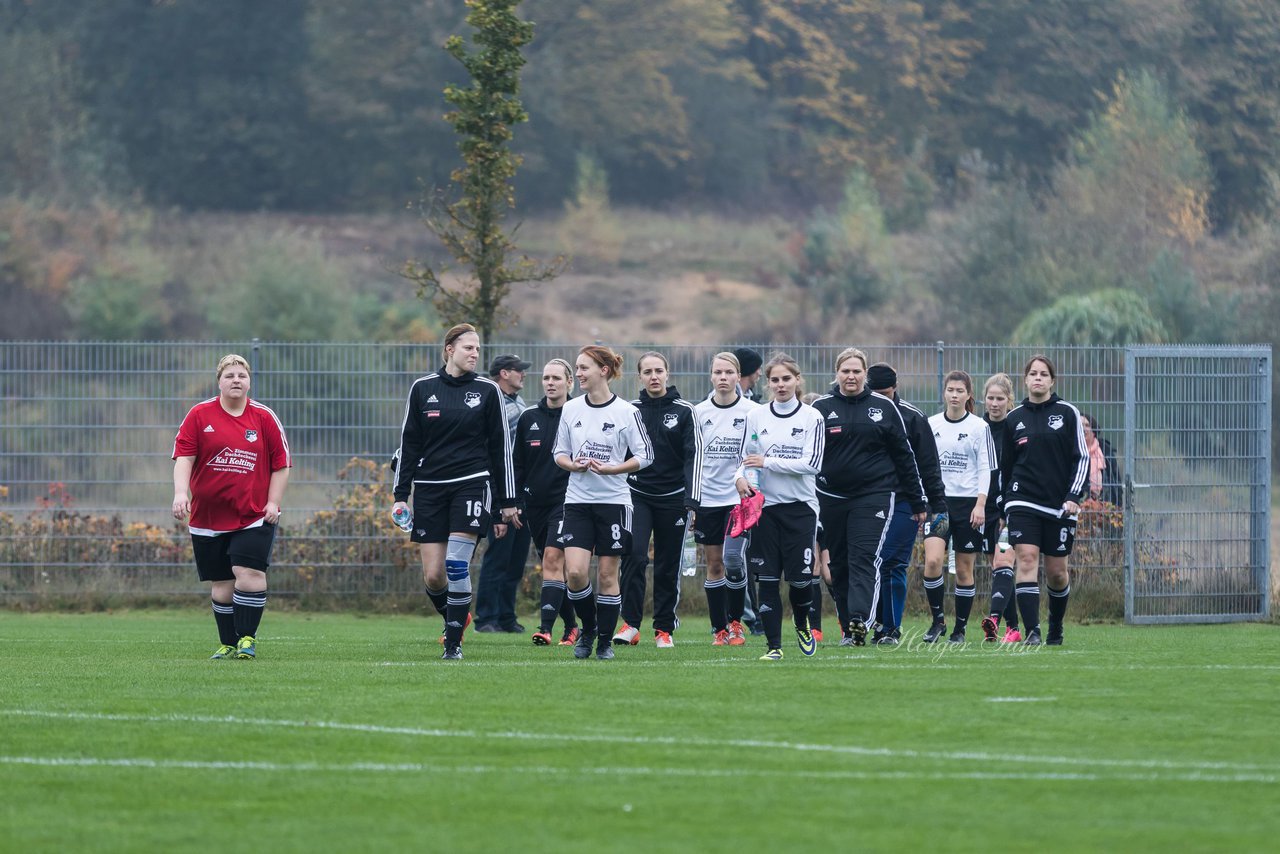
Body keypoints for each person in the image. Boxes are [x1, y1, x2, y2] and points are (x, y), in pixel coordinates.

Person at [392, 323, 518, 660]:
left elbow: (501, 449)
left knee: (455, 565)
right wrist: (400, 495)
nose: (475, 354)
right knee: (434, 576)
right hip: (430, 489)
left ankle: (453, 644)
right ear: (449, 349)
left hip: (472, 485)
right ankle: (457, 617)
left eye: (477, 348)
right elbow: (408, 444)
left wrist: (508, 501)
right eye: (468, 348)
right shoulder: (422, 389)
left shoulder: (488, 390)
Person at [172, 353, 291, 660]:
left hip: (253, 514)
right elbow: (184, 457)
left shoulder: (264, 418)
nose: (236, 380)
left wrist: (273, 502)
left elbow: (281, 464)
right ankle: (228, 642)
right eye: (230, 376)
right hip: (208, 517)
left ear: (249, 382)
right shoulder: (199, 415)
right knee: (222, 585)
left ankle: (247, 640)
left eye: (241, 375)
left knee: (248, 572)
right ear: (219, 382)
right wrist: (180, 493)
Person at [812, 349, 927, 646]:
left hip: (873, 496)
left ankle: (860, 619)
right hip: (830, 497)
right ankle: (847, 626)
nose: (851, 376)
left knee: (864, 557)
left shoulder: (884, 408)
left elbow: (905, 457)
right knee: (838, 563)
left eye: (856, 371)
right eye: (845, 371)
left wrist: (918, 501)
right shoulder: (820, 408)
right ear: (837, 373)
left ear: (865, 375)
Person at [553, 345, 654, 660]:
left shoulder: (626, 412)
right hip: (578, 502)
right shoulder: (571, 409)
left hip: (614, 502)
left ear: (604, 371)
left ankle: (605, 643)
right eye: (578, 368)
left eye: (584, 368)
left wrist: (615, 468)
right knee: (575, 573)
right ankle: (590, 627)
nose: (579, 374)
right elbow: (559, 453)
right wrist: (572, 465)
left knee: (608, 575)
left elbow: (645, 456)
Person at [735, 353, 825, 661]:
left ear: (798, 380)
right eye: (775, 379)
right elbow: (745, 458)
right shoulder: (756, 416)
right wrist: (740, 479)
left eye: (787, 378)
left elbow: (812, 464)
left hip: (800, 509)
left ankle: (801, 622)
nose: (781, 384)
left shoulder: (812, 418)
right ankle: (774, 646)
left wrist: (768, 462)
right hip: (765, 510)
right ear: (768, 382)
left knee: (800, 581)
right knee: (768, 579)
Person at [999, 355, 1089, 646]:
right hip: (1022, 500)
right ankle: (1032, 632)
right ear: (1025, 380)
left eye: (1043, 374)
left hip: (1059, 505)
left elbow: (1082, 458)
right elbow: (1006, 465)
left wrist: (1074, 496)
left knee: (1057, 573)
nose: (1038, 378)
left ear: (1052, 380)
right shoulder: (1013, 419)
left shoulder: (1067, 413)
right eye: (1032, 373)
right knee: (1025, 559)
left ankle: (1055, 625)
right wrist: (1003, 505)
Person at [614, 352, 702, 648]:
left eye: (659, 371)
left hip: (674, 499)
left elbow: (693, 457)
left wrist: (693, 500)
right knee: (634, 556)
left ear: (668, 374)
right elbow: (619, 452)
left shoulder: (685, 411)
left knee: (667, 564)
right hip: (636, 495)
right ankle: (630, 625)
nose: (654, 376)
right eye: (647, 371)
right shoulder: (630, 410)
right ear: (639, 376)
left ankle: (664, 629)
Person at [865, 363, 946, 646]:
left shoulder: (913, 417)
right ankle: (872, 622)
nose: (880, 399)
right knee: (869, 563)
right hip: (869, 499)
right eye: (874, 393)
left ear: (895, 388)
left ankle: (891, 627)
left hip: (904, 500)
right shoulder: (862, 414)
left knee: (893, 562)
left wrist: (937, 504)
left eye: (885, 393)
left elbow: (928, 465)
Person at [920, 370, 998, 643]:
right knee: (932, 562)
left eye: (959, 391)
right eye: (950, 390)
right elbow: (924, 466)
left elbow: (986, 468)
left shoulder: (979, 427)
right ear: (944, 393)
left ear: (968, 395)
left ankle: (960, 629)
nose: (954, 395)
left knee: (964, 569)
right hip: (939, 504)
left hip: (968, 506)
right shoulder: (930, 424)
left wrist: (981, 504)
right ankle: (938, 621)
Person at [693, 352, 759, 646]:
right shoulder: (698, 413)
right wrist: (692, 501)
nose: (723, 377)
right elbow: (693, 460)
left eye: (729, 372)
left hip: (738, 499)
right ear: (711, 376)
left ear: (737, 376)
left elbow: (753, 454)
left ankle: (736, 623)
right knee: (715, 564)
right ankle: (719, 629)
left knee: (734, 559)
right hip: (707, 499)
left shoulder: (753, 411)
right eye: (718, 372)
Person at [514, 359, 581, 647]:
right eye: (545, 378)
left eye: (556, 378)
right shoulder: (529, 417)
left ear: (570, 383)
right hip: (535, 504)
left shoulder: (580, 414)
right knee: (555, 569)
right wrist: (514, 501)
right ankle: (571, 625)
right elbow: (517, 464)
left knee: (553, 560)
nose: (550, 382)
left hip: (568, 501)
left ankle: (545, 629)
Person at [474, 353, 534, 633]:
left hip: (521, 496)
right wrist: (499, 507)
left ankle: (507, 617)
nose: (523, 374)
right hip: (501, 496)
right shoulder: (491, 402)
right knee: (497, 558)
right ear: (504, 374)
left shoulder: (517, 402)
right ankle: (485, 618)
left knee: (515, 559)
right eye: (518, 370)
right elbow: (493, 459)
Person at [977, 373, 1023, 643]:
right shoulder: (977, 427)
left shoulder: (1015, 426)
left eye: (1000, 399)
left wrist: (1008, 505)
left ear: (1009, 401)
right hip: (983, 508)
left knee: (1003, 561)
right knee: (996, 567)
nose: (994, 404)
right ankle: (1013, 629)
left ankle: (993, 619)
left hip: (1009, 506)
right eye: (990, 398)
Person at [1082, 413, 1120, 504]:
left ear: (1094, 430)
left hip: (1104, 504)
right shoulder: (1068, 450)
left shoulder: (1105, 450)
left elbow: (1115, 481)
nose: (1083, 429)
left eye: (1087, 425)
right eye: (1080, 426)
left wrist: (1117, 506)